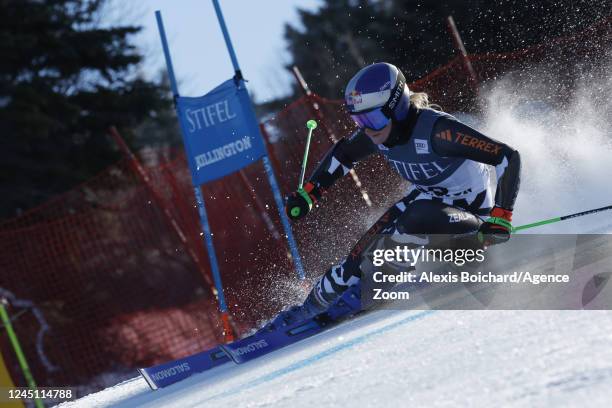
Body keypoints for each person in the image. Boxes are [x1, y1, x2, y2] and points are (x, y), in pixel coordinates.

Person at [283, 62, 521, 321]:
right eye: (359, 120)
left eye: (373, 118)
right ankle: (308, 310)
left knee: (416, 217)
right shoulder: (378, 132)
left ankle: (378, 288)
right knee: (356, 258)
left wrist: (501, 216)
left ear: (397, 108)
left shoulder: (438, 132)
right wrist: (310, 193)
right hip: (426, 205)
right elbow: (344, 154)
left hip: (470, 227)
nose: (368, 129)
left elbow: (507, 157)